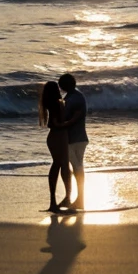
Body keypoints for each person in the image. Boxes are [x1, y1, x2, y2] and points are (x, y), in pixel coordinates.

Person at [38, 79, 72, 213]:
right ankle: (64, 198)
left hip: (54, 137)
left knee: (58, 165)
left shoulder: (49, 103)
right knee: (62, 165)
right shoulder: (57, 104)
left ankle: (56, 201)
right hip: (59, 136)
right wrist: (70, 122)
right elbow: (56, 123)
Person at [58, 73, 88, 211]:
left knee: (77, 168)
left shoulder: (74, 98)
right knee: (75, 167)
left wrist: (62, 125)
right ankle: (73, 198)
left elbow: (75, 116)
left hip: (74, 138)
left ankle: (80, 199)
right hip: (77, 137)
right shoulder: (73, 96)